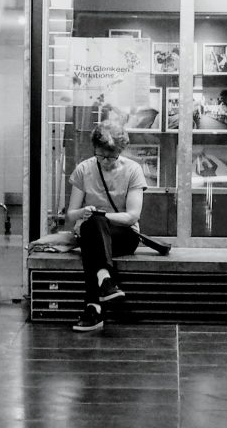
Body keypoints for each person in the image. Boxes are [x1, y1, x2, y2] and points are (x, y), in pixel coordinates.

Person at [67, 121, 148, 332]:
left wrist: (100, 216)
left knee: (94, 226)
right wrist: (83, 214)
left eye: (111, 156)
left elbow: (132, 217)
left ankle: (93, 307)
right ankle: (105, 279)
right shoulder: (84, 169)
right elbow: (71, 214)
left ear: (120, 151)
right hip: (91, 232)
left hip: (124, 235)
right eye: (100, 155)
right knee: (91, 226)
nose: (106, 161)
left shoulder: (133, 170)